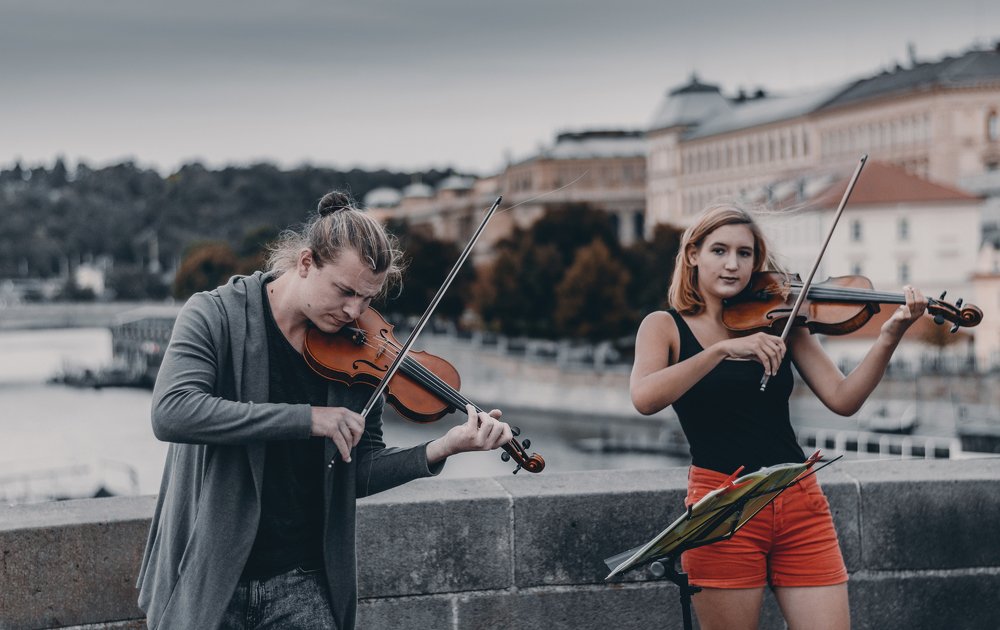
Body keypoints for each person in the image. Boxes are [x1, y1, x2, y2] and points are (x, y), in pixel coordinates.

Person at [136, 191, 513, 630]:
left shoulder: (357, 355)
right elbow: (171, 412)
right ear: (305, 263)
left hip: (300, 580)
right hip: (209, 574)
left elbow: (356, 471)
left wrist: (443, 447)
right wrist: (308, 419)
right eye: (344, 291)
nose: (354, 311)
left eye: (368, 299)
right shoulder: (214, 315)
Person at [629, 202, 927, 630]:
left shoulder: (782, 319)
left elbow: (843, 399)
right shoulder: (664, 326)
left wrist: (888, 337)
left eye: (745, 253)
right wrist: (721, 350)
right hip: (722, 506)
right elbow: (644, 397)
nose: (733, 264)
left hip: (798, 498)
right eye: (719, 250)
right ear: (693, 254)